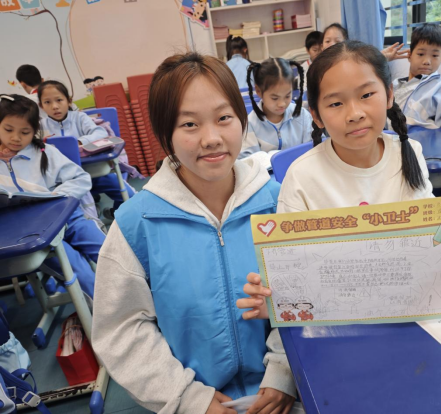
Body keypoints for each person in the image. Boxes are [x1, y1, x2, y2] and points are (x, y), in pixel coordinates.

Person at [236, 41, 441, 321]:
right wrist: (276, 298)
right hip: (339, 319)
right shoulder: (302, 176)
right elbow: (294, 272)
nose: (355, 113)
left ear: (389, 95)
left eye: (366, 94)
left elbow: (431, 239)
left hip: (407, 310)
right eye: (336, 103)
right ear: (316, 115)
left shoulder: (410, 153)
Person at [91, 52, 297, 414]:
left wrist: (284, 372)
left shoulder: (280, 202)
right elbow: (121, 330)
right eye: (189, 124)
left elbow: (308, 295)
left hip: (286, 394)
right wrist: (187, 398)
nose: (211, 138)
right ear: (165, 134)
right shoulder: (137, 224)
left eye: (224, 118)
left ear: (242, 119)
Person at [0, 94, 104, 299]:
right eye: (8, 130)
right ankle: (108, 311)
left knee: (109, 253)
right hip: (35, 233)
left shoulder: (45, 152)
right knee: (79, 272)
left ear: (34, 131)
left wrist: (58, 194)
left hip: (68, 218)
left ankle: (145, 294)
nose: (16, 138)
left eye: (25, 132)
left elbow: (81, 179)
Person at [38, 80, 135, 218]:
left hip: (94, 172)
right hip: (66, 181)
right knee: (74, 212)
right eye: (47, 102)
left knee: (129, 196)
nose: (54, 106)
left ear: (69, 101)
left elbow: (100, 133)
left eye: (59, 100)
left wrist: (79, 142)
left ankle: (114, 212)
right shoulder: (41, 126)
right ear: (41, 106)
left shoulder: (79, 117)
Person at [239, 58, 312, 169]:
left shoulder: (302, 116)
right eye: (274, 98)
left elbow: (314, 149)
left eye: (287, 96)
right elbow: (247, 163)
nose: (282, 104)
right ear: (258, 91)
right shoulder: (250, 124)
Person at [322, 22, 408, 61]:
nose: (332, 44)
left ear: (345, 44)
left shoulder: (349, 62)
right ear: (322, 46)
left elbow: (365, 64)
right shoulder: (318, 67)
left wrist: (382, 56)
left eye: (337, 41)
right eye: (327, 41)